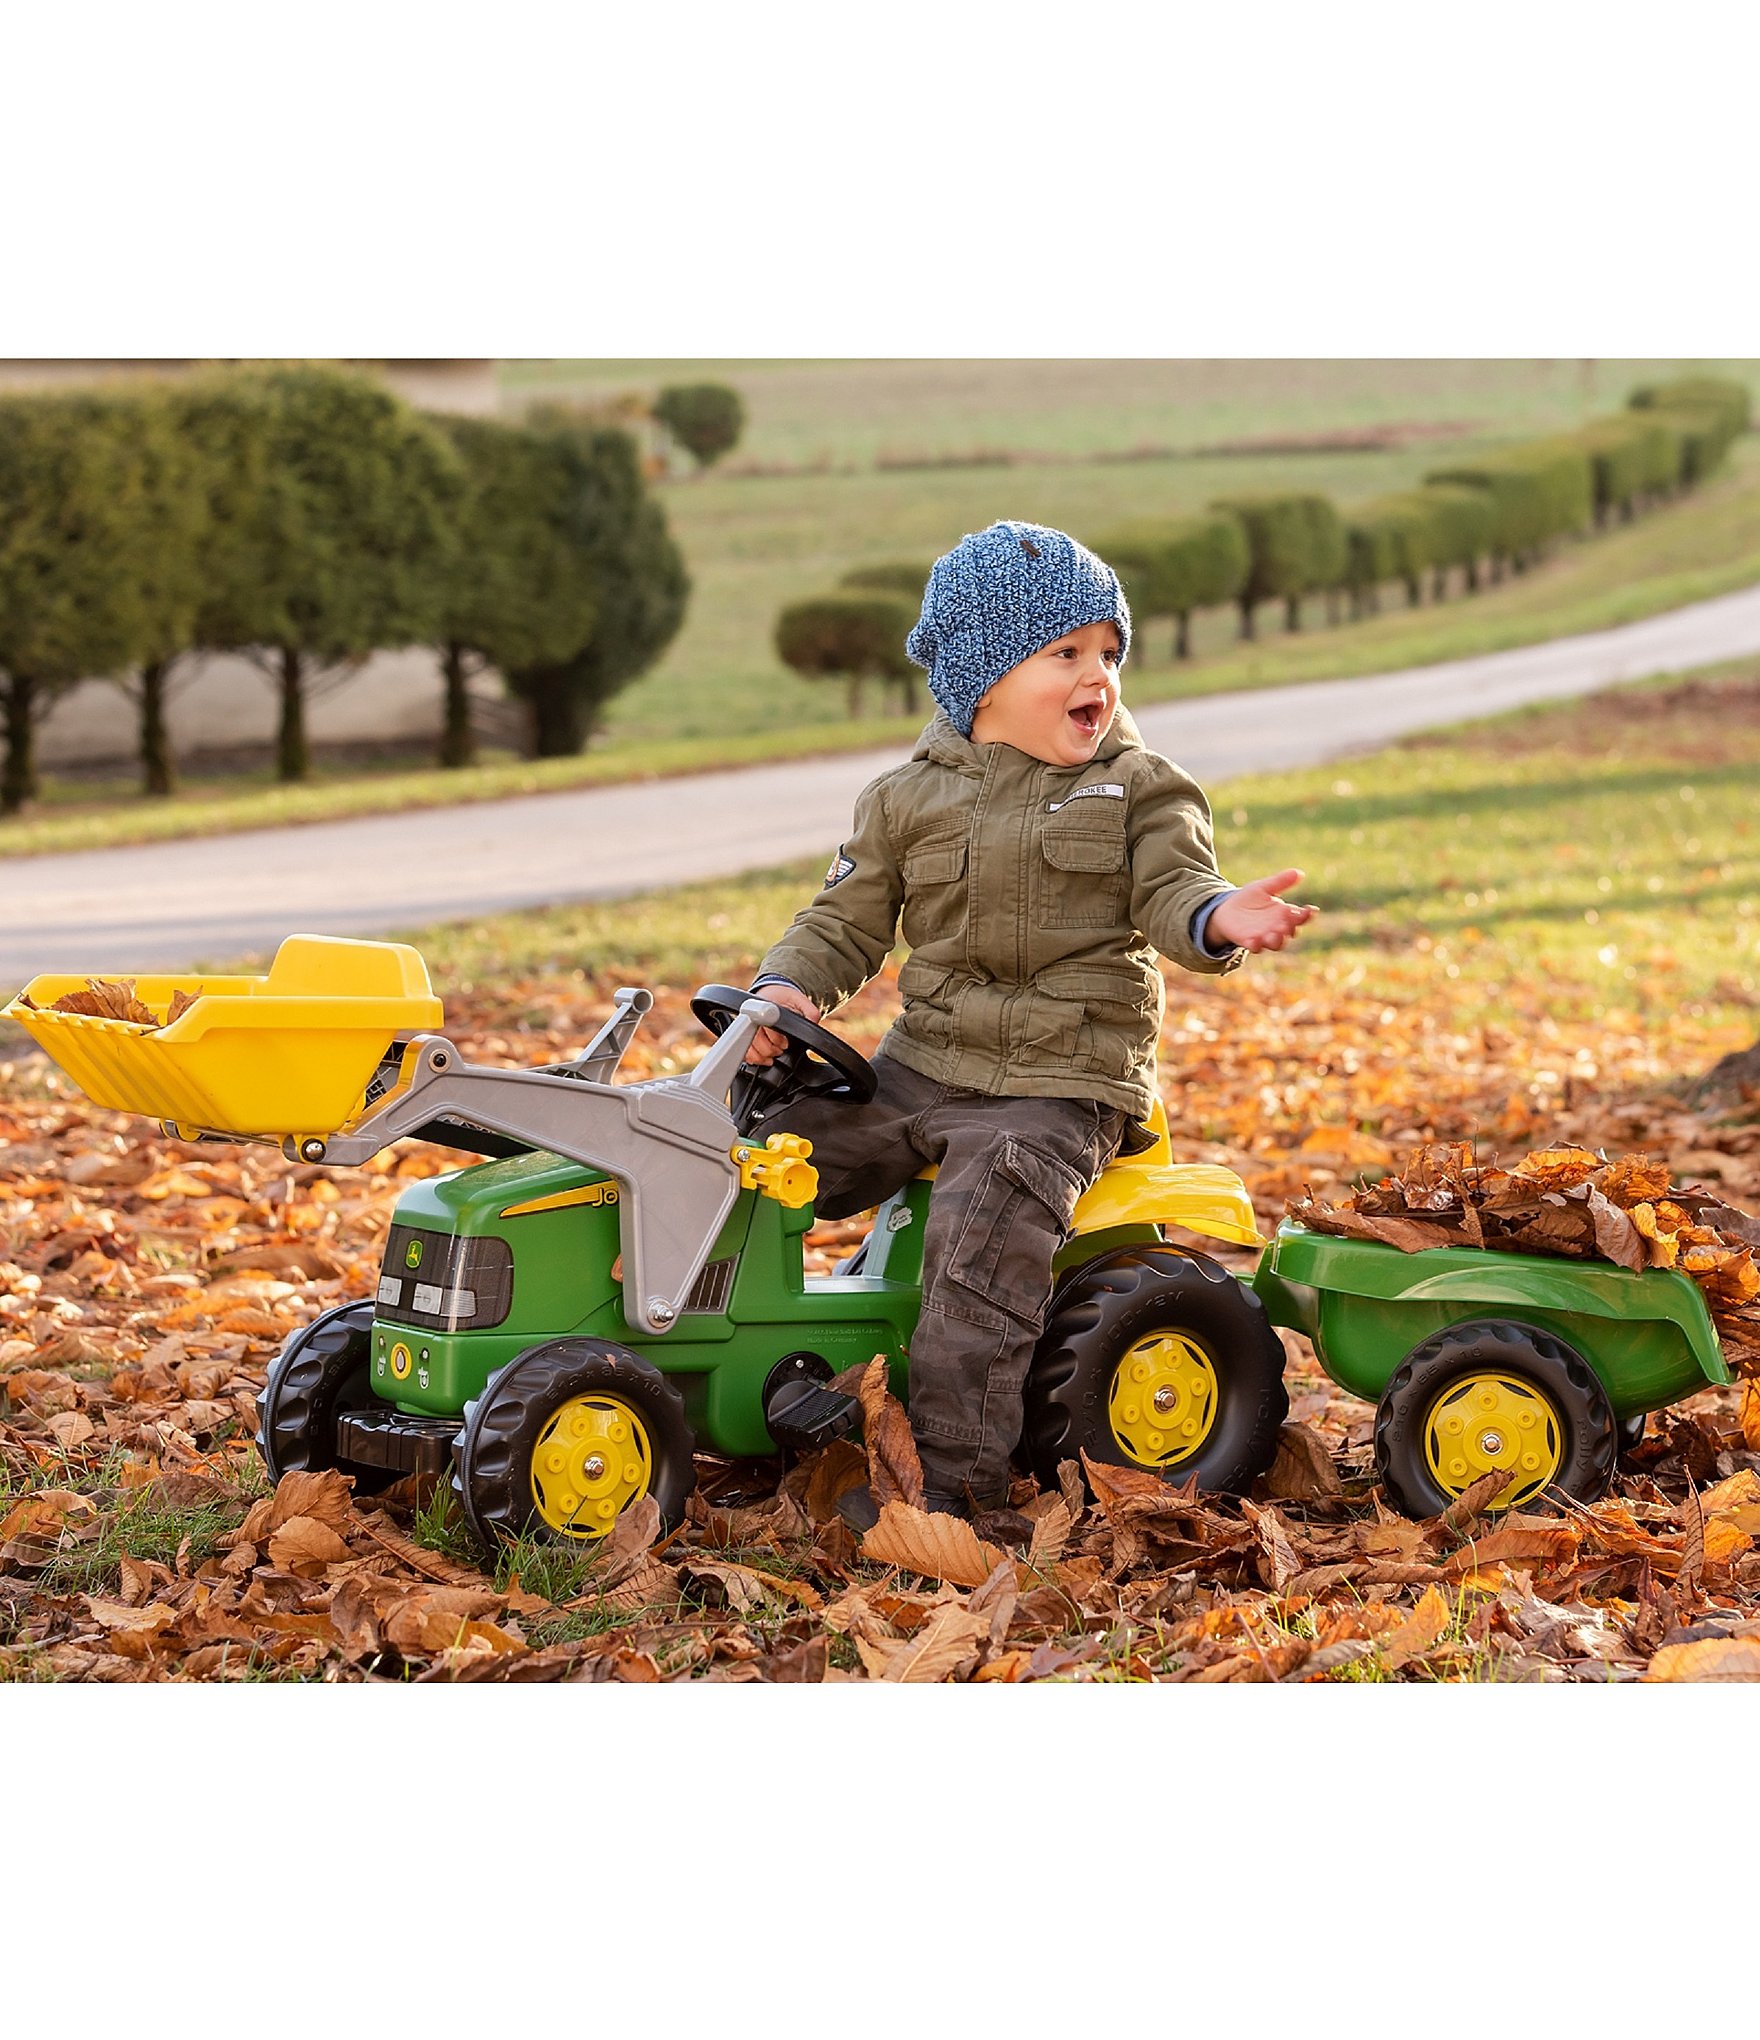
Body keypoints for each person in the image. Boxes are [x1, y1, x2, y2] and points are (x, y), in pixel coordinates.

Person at [745, 520, 1313, 1522]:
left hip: (1059, 1084)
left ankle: (956, 1491)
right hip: (923, 1066)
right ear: (983, 678)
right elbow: (842, 920)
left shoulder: (1136, 790)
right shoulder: (904, 800)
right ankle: (710, 1365)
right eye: (1065, 653)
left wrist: (1220, 916)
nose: (1097, 674)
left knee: (978, 1247)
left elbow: (1179, 886)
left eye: (1107, 653)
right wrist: (784, 990)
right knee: (754, 1154)